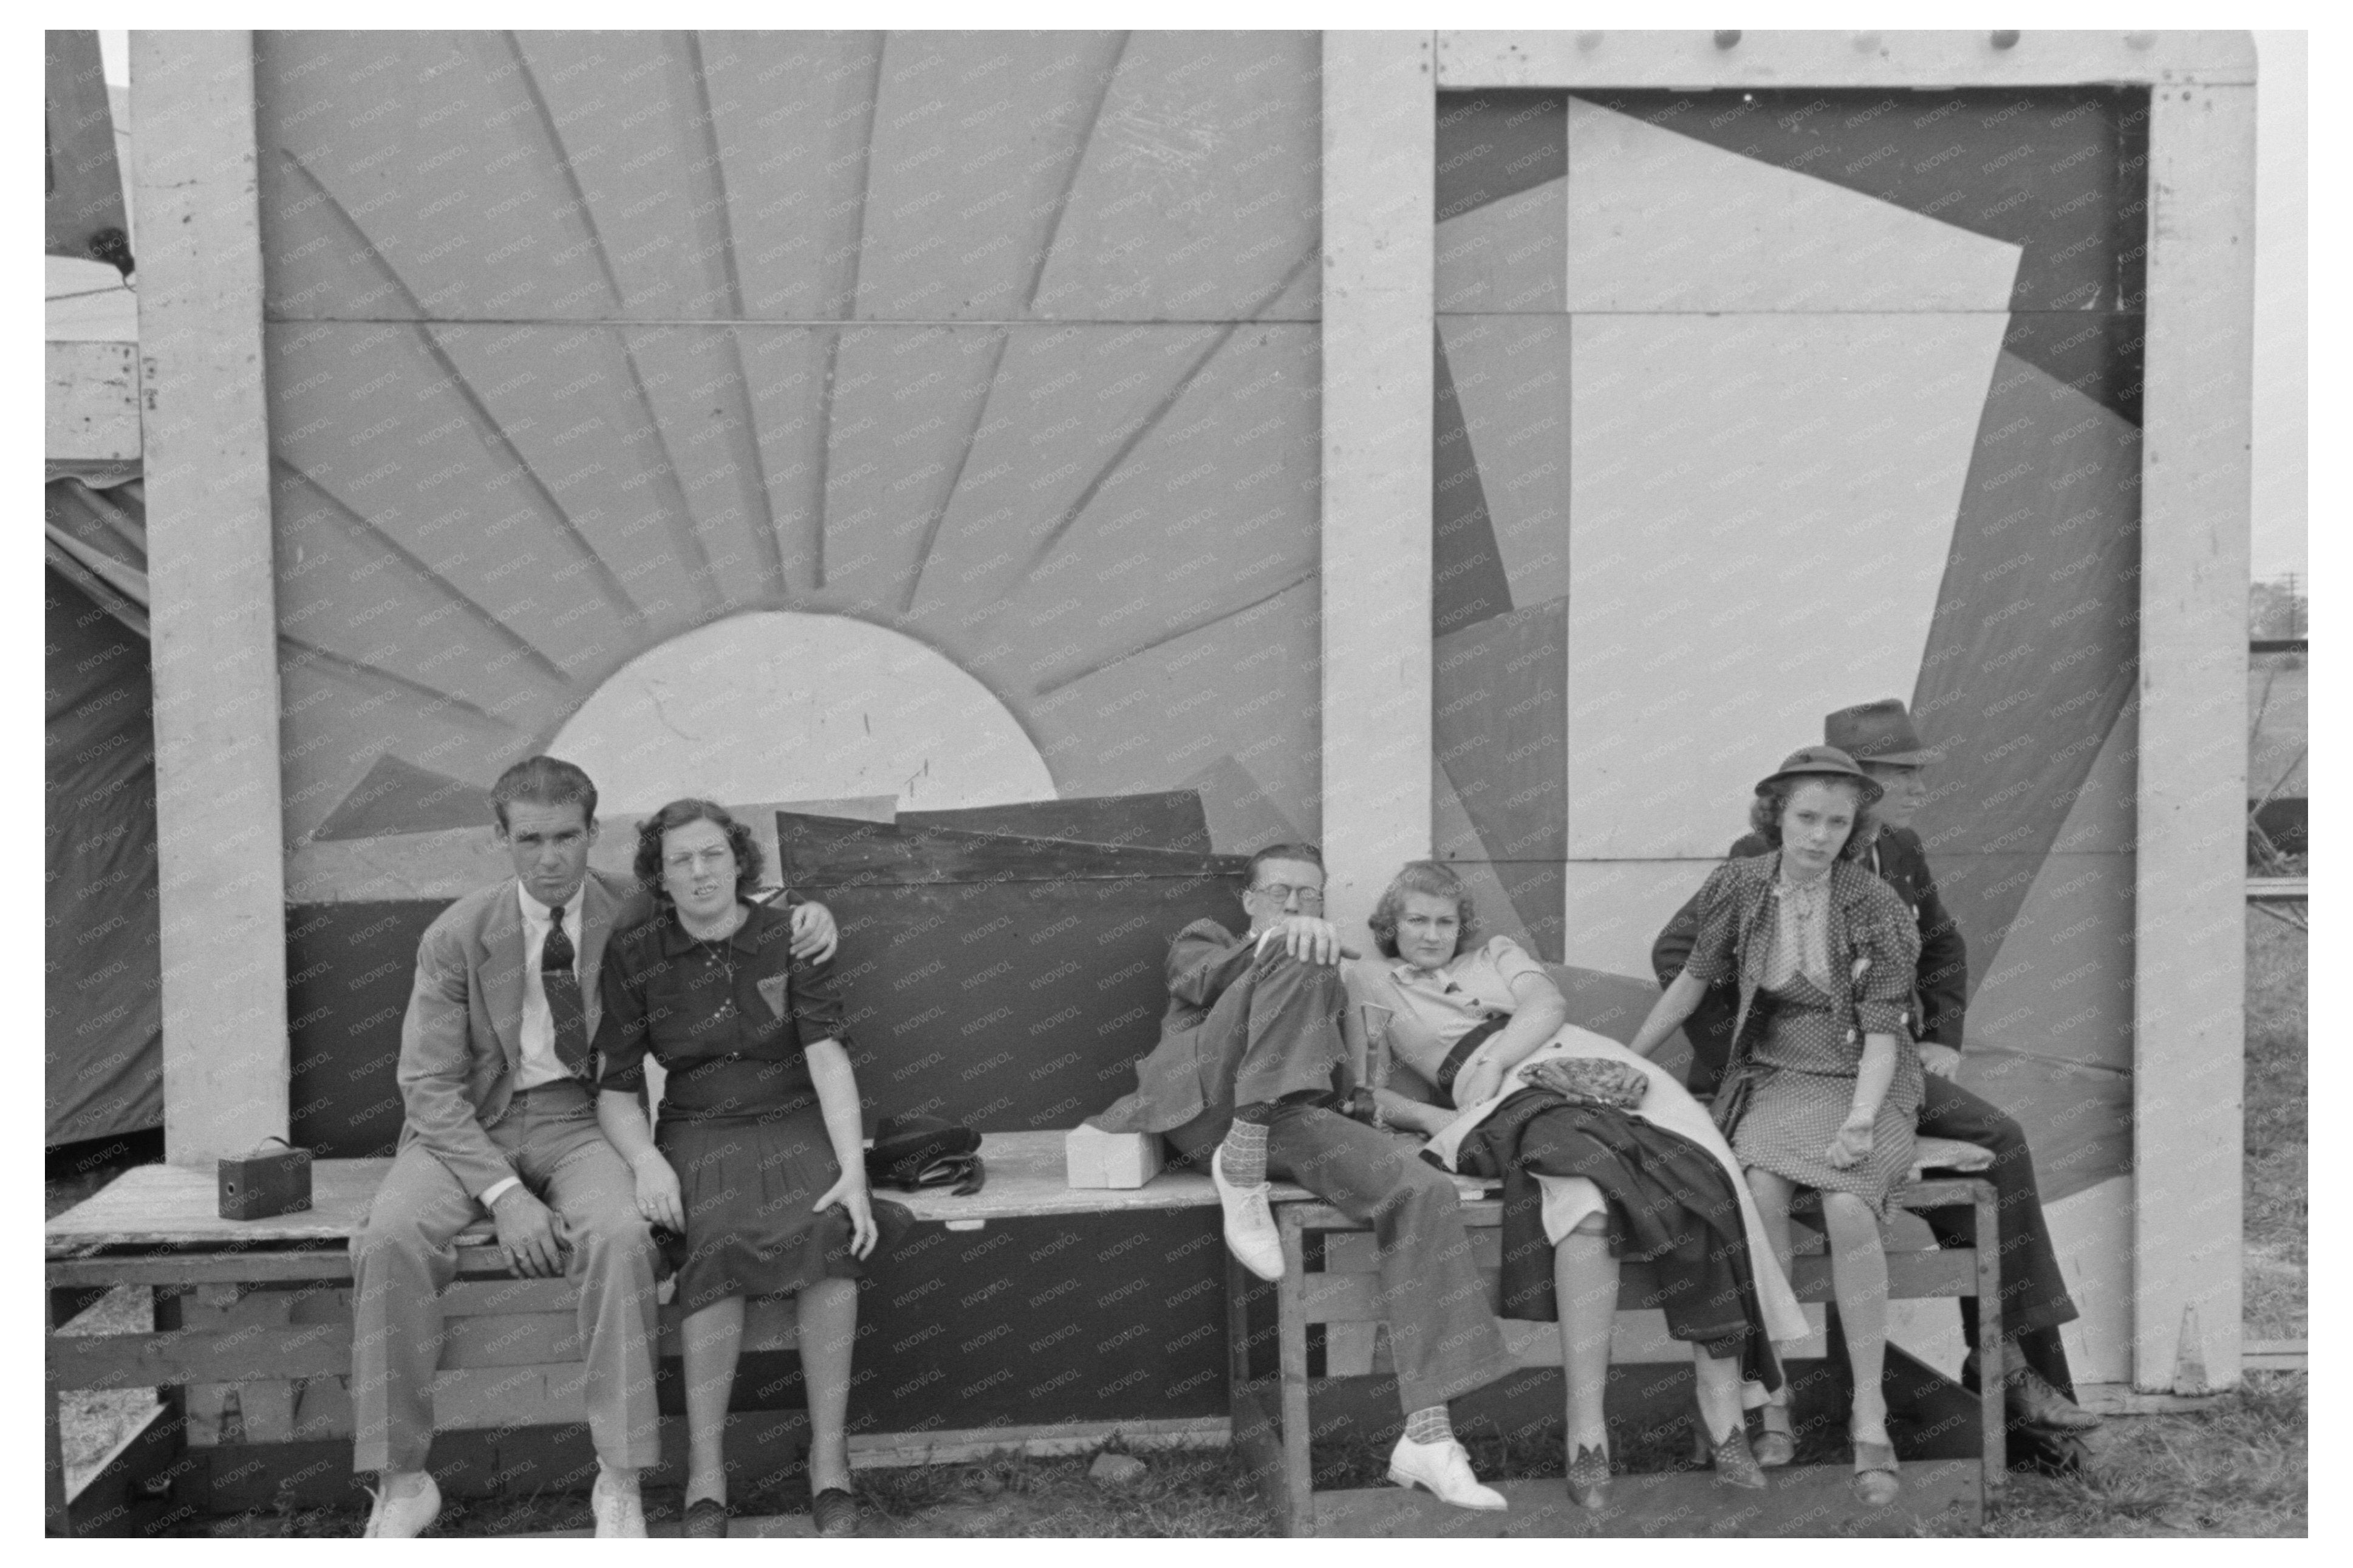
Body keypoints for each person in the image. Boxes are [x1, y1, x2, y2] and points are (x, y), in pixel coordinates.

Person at [349, 757, 836, 1538]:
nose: (550, 858)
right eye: (530, 839)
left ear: (592, 833)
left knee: (621, 1236)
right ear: (500, 837)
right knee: (387, 1237)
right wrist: (504, 1198)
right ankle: (403, 1479)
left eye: (567, 837)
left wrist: (809, 910)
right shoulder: (456, 935)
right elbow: (428, 1086)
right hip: (466, 1130)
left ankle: (620, 1478)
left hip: (583, 1120)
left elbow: (724, 895)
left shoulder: (632, 907)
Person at [1652, 699, 2099, 1438]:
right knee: (1836, 1189)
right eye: (1905, 773)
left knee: (2000, 1142)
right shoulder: (1752, 858)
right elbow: (1680, 961)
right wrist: (1748, 1051)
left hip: (1881, 1071)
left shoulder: (1900, 848)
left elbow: (1945, 945)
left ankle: (2011, 1371)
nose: (1921, 786)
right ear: (1858, 782)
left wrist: (1943, 1034)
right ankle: (1784, 1403)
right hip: (1787, 1080)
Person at [1348, 863, 1807, 1510]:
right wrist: (1436, 1117)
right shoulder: (1365, 977)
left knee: (1704, 1178)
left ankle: (1724, 1406)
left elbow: (1547, 1006)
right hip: (1512, 1099)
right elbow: (1362, 1084)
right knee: (1590, 1199)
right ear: (1390, 924)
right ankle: (1587, 1432)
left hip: (1590, 1063)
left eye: (1444, 920)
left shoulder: (1498, 952)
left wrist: (1495, 1061)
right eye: (1416, 920)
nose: (1431, 933)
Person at [1088, 844, 1517, 1512]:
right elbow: (1196, 980)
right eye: (1280, 891)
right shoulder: (1205, 940)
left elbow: (1330, 1076)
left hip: (1288, 1113)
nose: (1295, 904)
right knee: (1299, 953)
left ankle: (1428, 1433)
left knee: (1422, 1190)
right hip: (1209, 1107)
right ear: (1249, 899)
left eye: (1310, 895)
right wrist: (1282, 938)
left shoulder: (1327, 967)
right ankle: (1243, 1151)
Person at [1624, 746, 1922, 1508]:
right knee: (1758, 1189)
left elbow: (1884, 1033)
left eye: (1837, 821)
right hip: (1778, 1069)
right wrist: (1627, 1064)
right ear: (1775, 817)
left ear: (1854, 828)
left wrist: (1861, 1121)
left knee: (1848, 1205)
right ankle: (1772, 1393)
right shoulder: (1739, 884)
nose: (1820, 835)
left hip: (1865, 1073)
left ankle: (1868, 1410)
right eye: (1806, 818)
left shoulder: (1874, 904)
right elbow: (1692, 981)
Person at [592, 799, 894, 1539]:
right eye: (681, 860)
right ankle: (706, 1470)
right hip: (698, 1125)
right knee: (715, 1242)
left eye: (712, 855)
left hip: (793, 1114)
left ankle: (829, 1460)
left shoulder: (789, 934)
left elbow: (827, 1053)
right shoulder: (637, 952)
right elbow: (614, 1084)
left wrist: (852, 1169)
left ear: (738, 861)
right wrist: (645, 1160)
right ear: (660, 877)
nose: (700, 871)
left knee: (831, 1230)